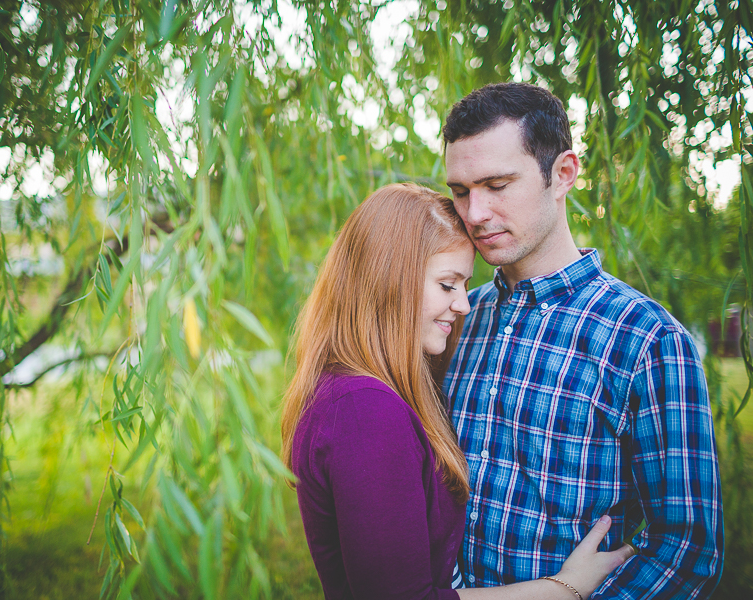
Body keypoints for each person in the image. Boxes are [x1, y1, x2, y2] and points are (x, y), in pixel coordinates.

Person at [281, 183, 632, 600]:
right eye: (448, 285)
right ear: (389, 280)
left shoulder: (352, 391)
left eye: (465, 286)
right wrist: (563, 588)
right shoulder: (365, 411)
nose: (464, 304)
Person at [441, 82, 724, 599]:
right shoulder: (456, 319)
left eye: (498, 185)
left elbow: (686, 550)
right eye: (460, 191)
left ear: (564, 174)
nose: (474, 214)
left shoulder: (648, 340)